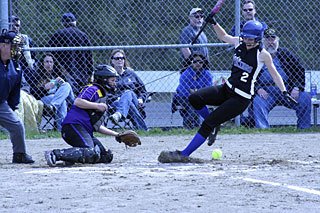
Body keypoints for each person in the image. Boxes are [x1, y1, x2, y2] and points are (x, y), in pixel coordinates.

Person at [157, 18, 297, 163]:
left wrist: (284, 91)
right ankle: (214, 124)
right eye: (246, 37)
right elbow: (223, 36)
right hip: (227, 89)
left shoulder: (262, 54)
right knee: (195, 98)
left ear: (258, 39)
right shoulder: (239, 43)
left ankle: (184, 154)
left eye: (252, 38)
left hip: (240, 99)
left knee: (207, 124)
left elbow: (275, 73)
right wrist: (214, 22)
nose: (248, 41)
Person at [44, 65, 123, 167]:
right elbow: (78, 101)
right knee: (90, 152)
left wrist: (117, 135)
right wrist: (97, 106)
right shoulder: (93, 89)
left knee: (105, 156)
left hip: (82, 130)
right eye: (112, 80)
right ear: (104, 80)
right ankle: (55, 154)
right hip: (73, 126)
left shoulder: (102, 95)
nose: (114, 83)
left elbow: (97, 127)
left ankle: (71, 157)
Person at [252, 28, 311, 129]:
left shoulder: (286, 54)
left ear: (277, 41)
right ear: (262, 41)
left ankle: (304, 128)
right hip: (267, 91)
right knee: (258, 102)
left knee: (305, 98)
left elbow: (299, 71)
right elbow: (249, 75)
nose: (270, 42)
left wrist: (297, 87)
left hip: (287, 90)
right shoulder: (257, 56)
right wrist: (257, 88)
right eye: (267, 39)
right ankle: (263, 130)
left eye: (273, 39)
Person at [0, 29, 34, 163]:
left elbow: (15, 90)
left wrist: (12, 107)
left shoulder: (15, 66)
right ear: (2, 46)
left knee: (17, 125)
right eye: (13, 46)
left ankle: (19, 154)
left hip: (1, 104)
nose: (17, 50)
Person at [48, 12, 93, 95]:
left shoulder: (58, 35)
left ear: (63, 23)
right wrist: (90, 72)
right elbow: (89, 57)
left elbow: (49, 54)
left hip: (62, 73)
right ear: (75, 22)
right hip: (81, 73)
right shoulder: (83, 35)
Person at [30, 52, 75, 131]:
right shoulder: (37, 75)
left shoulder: (59, 74)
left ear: (54, 63)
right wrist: (45, 87)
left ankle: (54, 106)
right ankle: (61, 130)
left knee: (67, 85)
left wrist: (62, 82)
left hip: (60, 98)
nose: (49, 64)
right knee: (62, 102)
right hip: (46, 99)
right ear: (42, 63)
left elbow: (70, 88)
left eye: (51, 62)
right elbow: (33, 92)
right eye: (46, 62)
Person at [108, 49, 148, 130]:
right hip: (116, 102)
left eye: (122, 58)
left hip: (134, 100)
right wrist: (117, 98)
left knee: (128, 92)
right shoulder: (109, 75)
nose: (120, 60)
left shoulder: (131, 73)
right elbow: (105, 92)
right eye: (117, 58)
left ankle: (118, 114)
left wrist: (141, 99)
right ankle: (143, 129)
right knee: (129, 104)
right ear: (112, 60)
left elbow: (143, 90)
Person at [173, 52, 213, 129]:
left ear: (204, 63)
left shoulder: (207, 74)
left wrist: (194, 92)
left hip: (202, 97)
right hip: (185, 98)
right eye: (195, 62)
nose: (198, 64)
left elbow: (208, 89)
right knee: (194, 103)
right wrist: (198, 92)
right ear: (190, 62)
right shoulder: (186, 73)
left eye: (200, 62)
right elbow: (184, 91)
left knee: (196, 104)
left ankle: (189, 126)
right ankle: (197, 126)